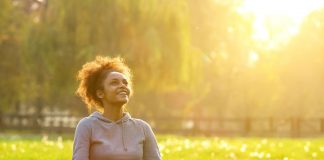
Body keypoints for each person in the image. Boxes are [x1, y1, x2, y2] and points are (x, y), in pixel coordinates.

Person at [73, 56, 161, 160]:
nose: (123, 86)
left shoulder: (142, 128)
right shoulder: (87, 126)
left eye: (125, 83)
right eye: (114, 82)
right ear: (100, 93)